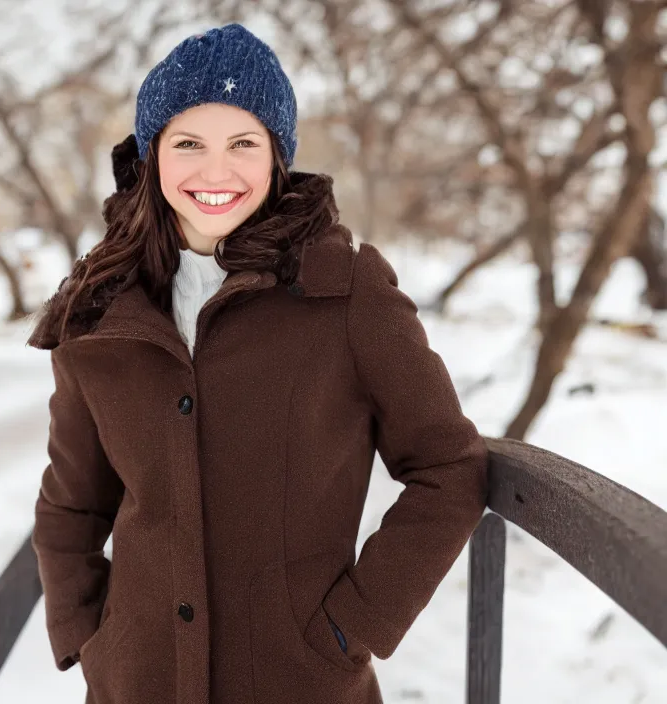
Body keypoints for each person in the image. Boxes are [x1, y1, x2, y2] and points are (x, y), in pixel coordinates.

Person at [26, 23, 489, 704]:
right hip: (136, 684)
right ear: (151, 157)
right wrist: (88, 636)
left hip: (300, 682)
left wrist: (355, 624)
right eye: (189, 144)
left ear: (278, 157)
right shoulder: (99, 311)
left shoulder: (345, 289)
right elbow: (71, 504)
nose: (216, 173)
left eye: (243, 144)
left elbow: (449, 468)